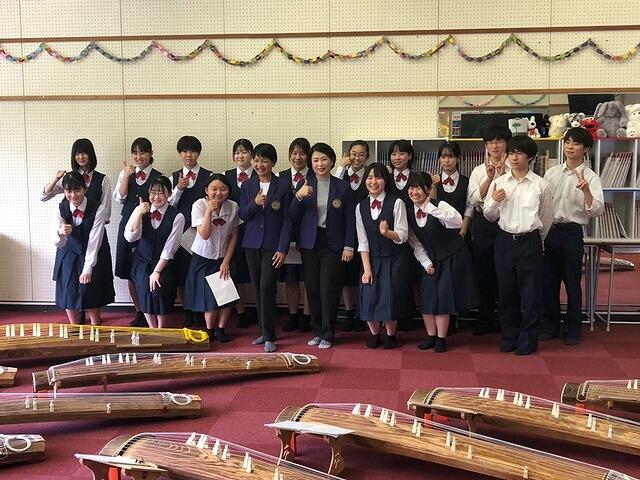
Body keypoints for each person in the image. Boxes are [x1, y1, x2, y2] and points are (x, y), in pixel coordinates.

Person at [483, 135, 554, 356]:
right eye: (511, 153)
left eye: (519, 153)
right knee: (506, 292)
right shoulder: (500, 182)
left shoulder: (541, 185)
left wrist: (536, 240)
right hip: (504, 241)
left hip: (530, 241)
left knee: (531, 294)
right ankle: (509, 337)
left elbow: (547, 219)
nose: (514, 158)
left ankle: (528, 340)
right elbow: (488, 215)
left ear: (530, 157)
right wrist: (494, 200)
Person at [541, 127, 604, 345]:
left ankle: (573, 328)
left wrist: (586, 191)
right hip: (550, 231)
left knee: (572, 283)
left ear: (585, 149)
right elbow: (542, 203)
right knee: (548, 282)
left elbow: (597, 210)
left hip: (572, 233)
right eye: (567, 142)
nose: (570, 146)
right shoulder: (551, 173)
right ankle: (550, 325)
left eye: (576, 143)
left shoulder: (591, 177)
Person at [289, 142, 354, 349]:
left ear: (332, 161)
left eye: (324, 159)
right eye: (315, 160)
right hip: (309, 242)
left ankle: (328, 333)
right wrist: (298, 197)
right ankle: (317, 331)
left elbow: (350, 219)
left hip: (333, 243)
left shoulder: (342, 186)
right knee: (312, 289)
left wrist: (349, 246)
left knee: (329, 289)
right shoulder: (305, 184)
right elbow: (292, 216)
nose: (320, 164)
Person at [42, 138, 113, 325]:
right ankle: (75, 326)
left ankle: (96, 326)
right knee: (69, 286)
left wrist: (91, 219)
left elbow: (105, 213)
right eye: (77, 153)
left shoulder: (102, 180)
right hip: (70, 244)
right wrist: (56, 178)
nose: (81, 157)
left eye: (84, 152)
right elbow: (44, 196)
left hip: (93, 235)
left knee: (92, 287)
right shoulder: (68, 182)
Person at [407, 173, 479, 352]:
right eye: (411, 188)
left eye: (419, 188)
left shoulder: (439, 205)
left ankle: (441, 339)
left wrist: (429, 207)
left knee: (442, 299)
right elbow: (416, 243)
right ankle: (431, 337)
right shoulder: (409, 213)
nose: (415, 192)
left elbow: (457, 221)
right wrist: (426, 263)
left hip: (451, 255)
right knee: (426, 298)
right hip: (431, 259)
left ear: (428, 190)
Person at [239, 143, 292, 353]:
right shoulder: (247, 185)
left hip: (273, 246)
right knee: (258, 289)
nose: (260, 165)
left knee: (267, 287)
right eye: (257, 160)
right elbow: (243, 214)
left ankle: (270, 336)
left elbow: (288, 220)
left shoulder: (284, 185)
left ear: (273, 163)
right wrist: (254, 202)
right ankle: (264, 331)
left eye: (265, 161)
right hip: (251, 244)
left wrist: (283, 248)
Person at [356, 162, 411, 349]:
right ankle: (374, 334)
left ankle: (390, 335)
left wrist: (387, 233)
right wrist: (367, 269)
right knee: (368, 296)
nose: (373, 182)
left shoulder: (397, 202)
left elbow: (403, 236)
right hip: (371, 259)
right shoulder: (360, 207)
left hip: (394, 258)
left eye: (378, 177)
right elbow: (362, 241)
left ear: (386, 181)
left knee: (390, 297)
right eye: (370, 177)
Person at [53, 171, 114, 325]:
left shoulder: (98, 208)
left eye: (77, 190)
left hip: (92, 251)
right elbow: (58, 243)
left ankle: (96, 326)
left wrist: (88, 268)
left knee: (90, 290)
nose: (73, 195)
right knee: (69, 290)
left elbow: (95, 239)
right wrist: (60, 233)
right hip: (68, 252)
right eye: (68, 191)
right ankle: (74, 327)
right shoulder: (61, 208)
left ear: (85, 188)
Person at [467, 125, 512, 335]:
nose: (494, 146)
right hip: (483, 223)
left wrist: (503, 175)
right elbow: (473, 199)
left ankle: (506, 319)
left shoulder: (515, 168)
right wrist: (489, 177)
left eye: (499, 141)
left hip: (507, 222)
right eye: (490, 142)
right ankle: (485, 318)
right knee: (483, 271)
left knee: (505, 272)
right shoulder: (478, 170)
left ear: (506, 143)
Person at [184, 174, 240, 342]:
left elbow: (234, 236)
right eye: (214, 189)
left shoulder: (233, 206)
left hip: (223, 257)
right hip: (203, 258)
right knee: (208, 298)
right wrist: (209, 210)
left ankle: (221, 329)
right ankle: (209, 330)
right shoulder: (199, 205)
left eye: (223, 189)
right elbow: (204, 234)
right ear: (206, 191)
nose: (218, 193)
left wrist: (226, 262)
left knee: (226, 296)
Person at [114, 138, 162, 327]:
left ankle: (151, 309)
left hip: (148, 227)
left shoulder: (158, 177)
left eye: (143, 152)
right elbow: (120, 198)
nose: (139, 157)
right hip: (128, 224)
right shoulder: (126, 173)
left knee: (146, 268)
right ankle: (139, 311)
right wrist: (126, 176)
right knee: (130, 271)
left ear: (151, 153)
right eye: (135, 153)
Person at [124, 176, 184, 328]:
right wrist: (139, 213)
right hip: (142, 260)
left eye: (161, 193)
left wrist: (157, 271)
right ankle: (151, 327)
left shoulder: (177, 216)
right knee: (144, 291)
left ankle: (161, 328)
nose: (156, 197)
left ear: (169, 194)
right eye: (153, 193)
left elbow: (170, 247)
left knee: (162, 291)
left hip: (164, 262)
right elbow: (130, 237)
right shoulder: (140, 209)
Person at [168, 135, 212, 328]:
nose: (188, 155)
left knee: (200, 274)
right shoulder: (173, 177)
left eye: (192, 151)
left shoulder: (209, 176)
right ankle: (187, 311)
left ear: (198, 153)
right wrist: (178, 189)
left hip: (202, 232)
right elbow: (168, 206)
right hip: (180, 233)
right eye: (185, 151)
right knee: (182, 276)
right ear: (180, 154)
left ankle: (200, 311)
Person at [333, 141, 370, 332]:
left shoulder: (371, 176)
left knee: (362, 273)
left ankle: (362, 313)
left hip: (365, 232)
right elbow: (332, 188)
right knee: (346, 276)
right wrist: (341, 167)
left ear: (367, 157)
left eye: (361, 154)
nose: (357, 158)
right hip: (344, 233)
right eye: (353, 154)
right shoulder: (341, 175)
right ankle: (348, 312)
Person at [279, 138, 313, 333]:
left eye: (302, 153)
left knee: (309, 278)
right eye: (294, 153)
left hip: (308, 235)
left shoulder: (315, 176)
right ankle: (293, 315)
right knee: (290, 278)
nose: (298, 157)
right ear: (289, 155)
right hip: (287, 235)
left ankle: (307, 316)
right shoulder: (280, 177)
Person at [387, 139, 420, 331]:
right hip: (391, 234)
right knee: (394, 277)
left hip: (416, 233)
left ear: (410, 156)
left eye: (401, 153)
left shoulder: (417, 177)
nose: (397, 158)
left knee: (413, 277)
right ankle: (394, 316)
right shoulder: (384, 177)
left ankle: (411, 315)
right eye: (393, 154)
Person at [224, 138, 256, 329]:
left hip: (253, 230)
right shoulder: (225, 176)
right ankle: (241, 311)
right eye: (237, 152)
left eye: (244, 152)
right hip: (230, 231)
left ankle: (260, 310)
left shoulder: (261, 174)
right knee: (234, 272)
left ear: (251, 155)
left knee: (255, 272)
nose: (240, 156)